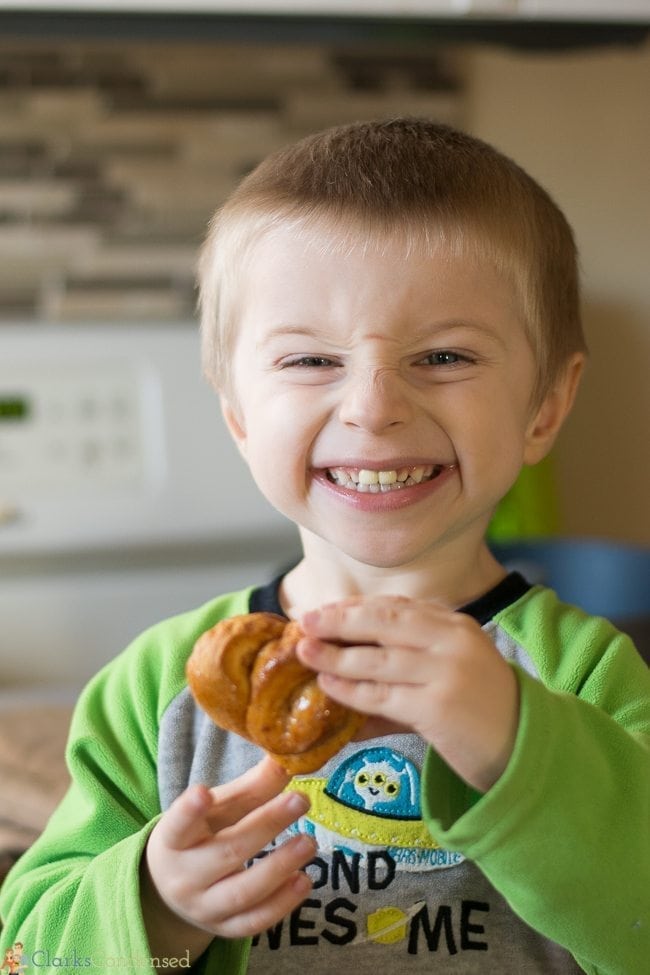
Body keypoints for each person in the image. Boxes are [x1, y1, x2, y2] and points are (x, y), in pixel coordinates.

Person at [1, 119, 648, 974]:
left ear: (545, 408)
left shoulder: (587, 681)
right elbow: (26, 949)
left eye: (445, 355)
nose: (373, 406)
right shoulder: (154, 692)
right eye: (310, 360)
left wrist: (517, 746)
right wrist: (153, 905)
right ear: (237, 414)